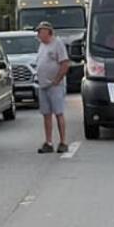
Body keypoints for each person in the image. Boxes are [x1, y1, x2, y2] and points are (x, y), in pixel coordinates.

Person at [34, 21, 71, 153]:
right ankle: (49, 142)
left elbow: (65, 63)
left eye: (40, 31)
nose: (38, 33)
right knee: (46, 114)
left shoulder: (57, 44)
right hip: (43, 85)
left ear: (48, 32)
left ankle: (63, 141)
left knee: (58, 113)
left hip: (55, 85)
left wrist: (57, 79)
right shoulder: (42, 46)